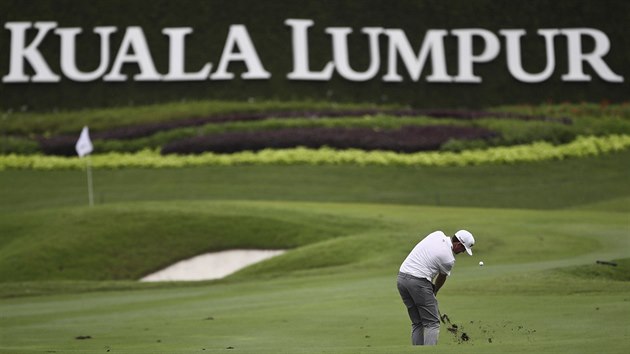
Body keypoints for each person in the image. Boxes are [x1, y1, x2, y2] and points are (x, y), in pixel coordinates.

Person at [396, 229, 475, 345]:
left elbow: (428, 259)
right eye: (463, 249)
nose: (463, 252)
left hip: (402, 279)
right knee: (432, 323)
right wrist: (434, 291)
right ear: (458, 244)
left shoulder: (437, 234)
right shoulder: (448, 259)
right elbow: (441, 278)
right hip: (418, 282)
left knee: (417, 322)